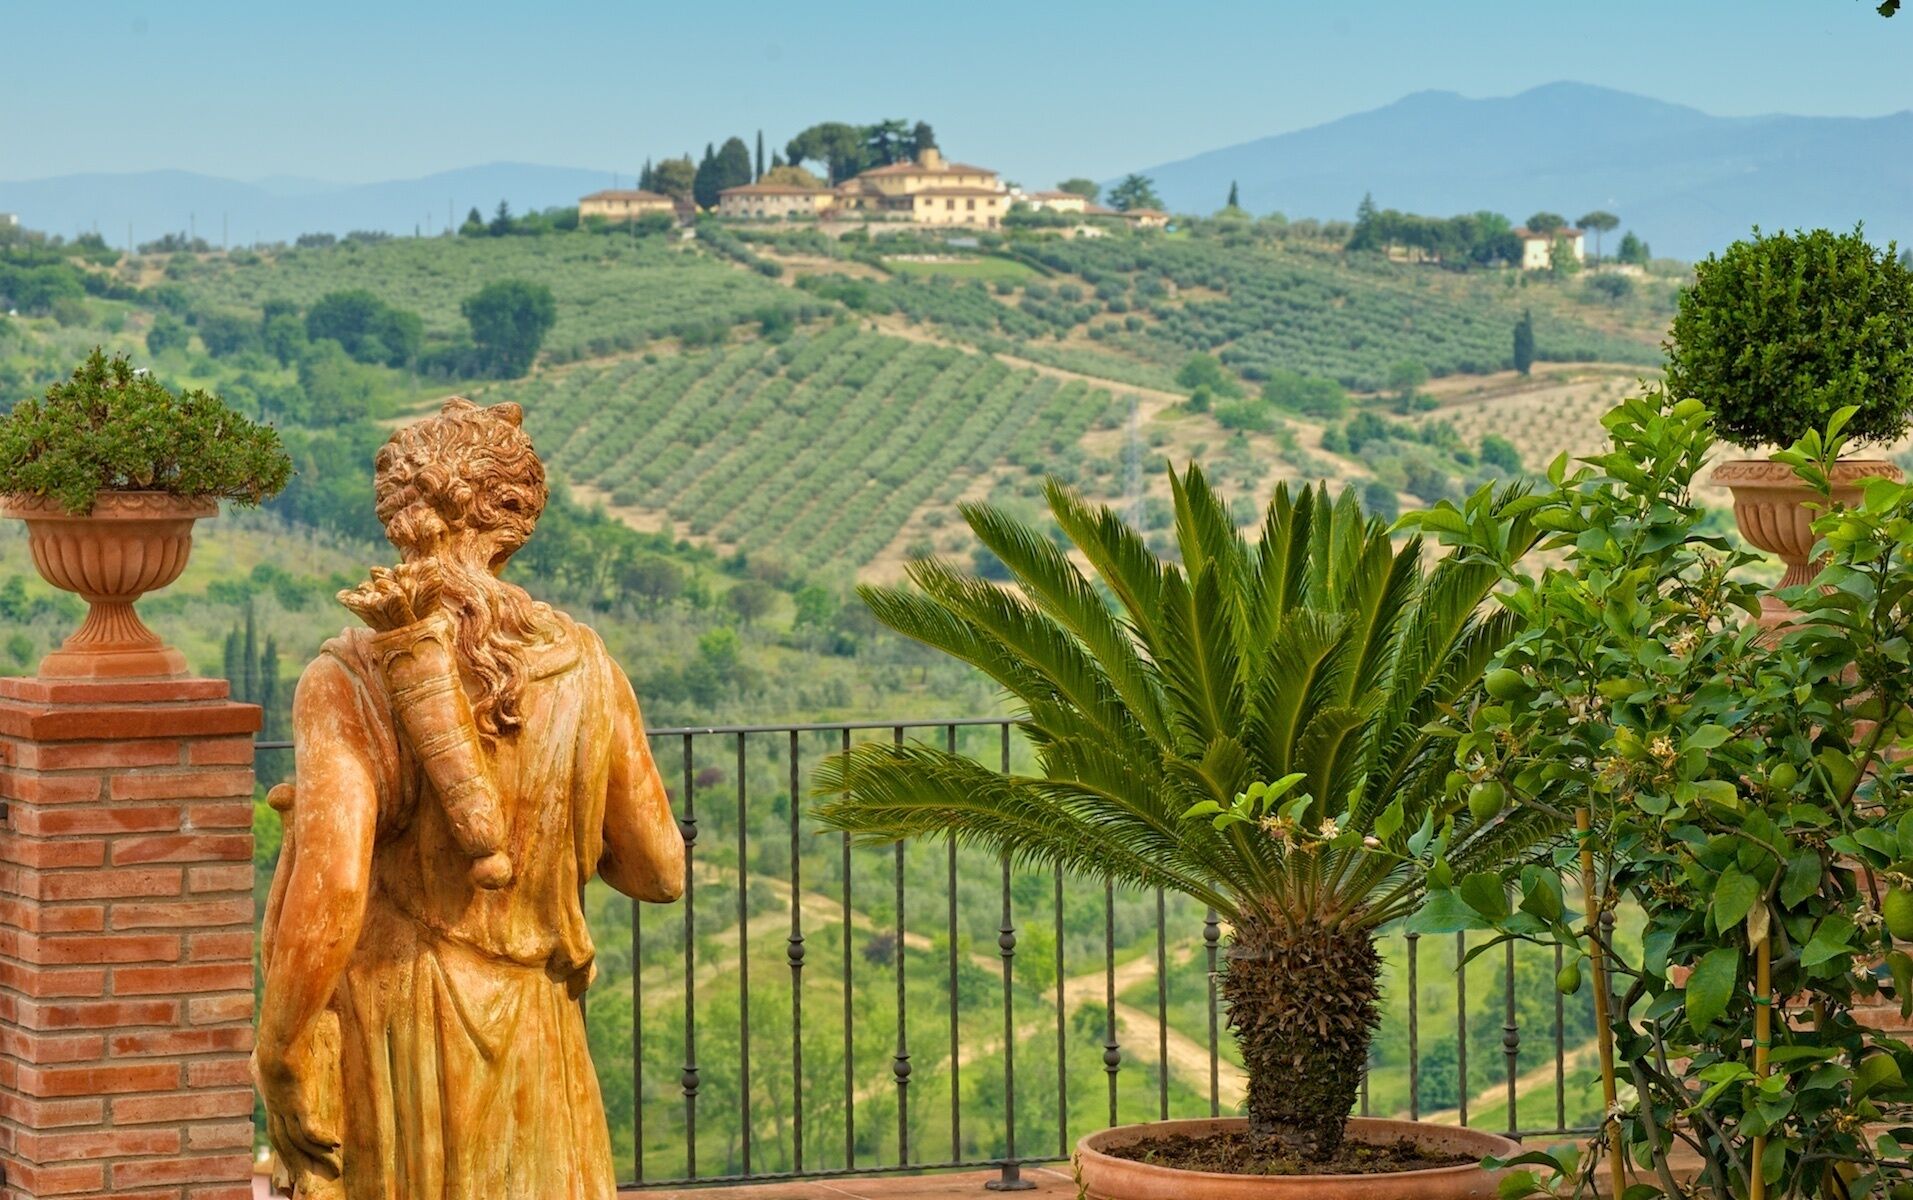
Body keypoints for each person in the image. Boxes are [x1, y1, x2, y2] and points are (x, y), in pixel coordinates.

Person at [255, 397, 684, 1199]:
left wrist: (277, 1048)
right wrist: (555, 825)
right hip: (542, 1025)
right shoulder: (588, 666)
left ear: (398, 514)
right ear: (514, 517)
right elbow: (659, 870)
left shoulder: (350, 675)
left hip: (404, 1026)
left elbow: (333, 889)